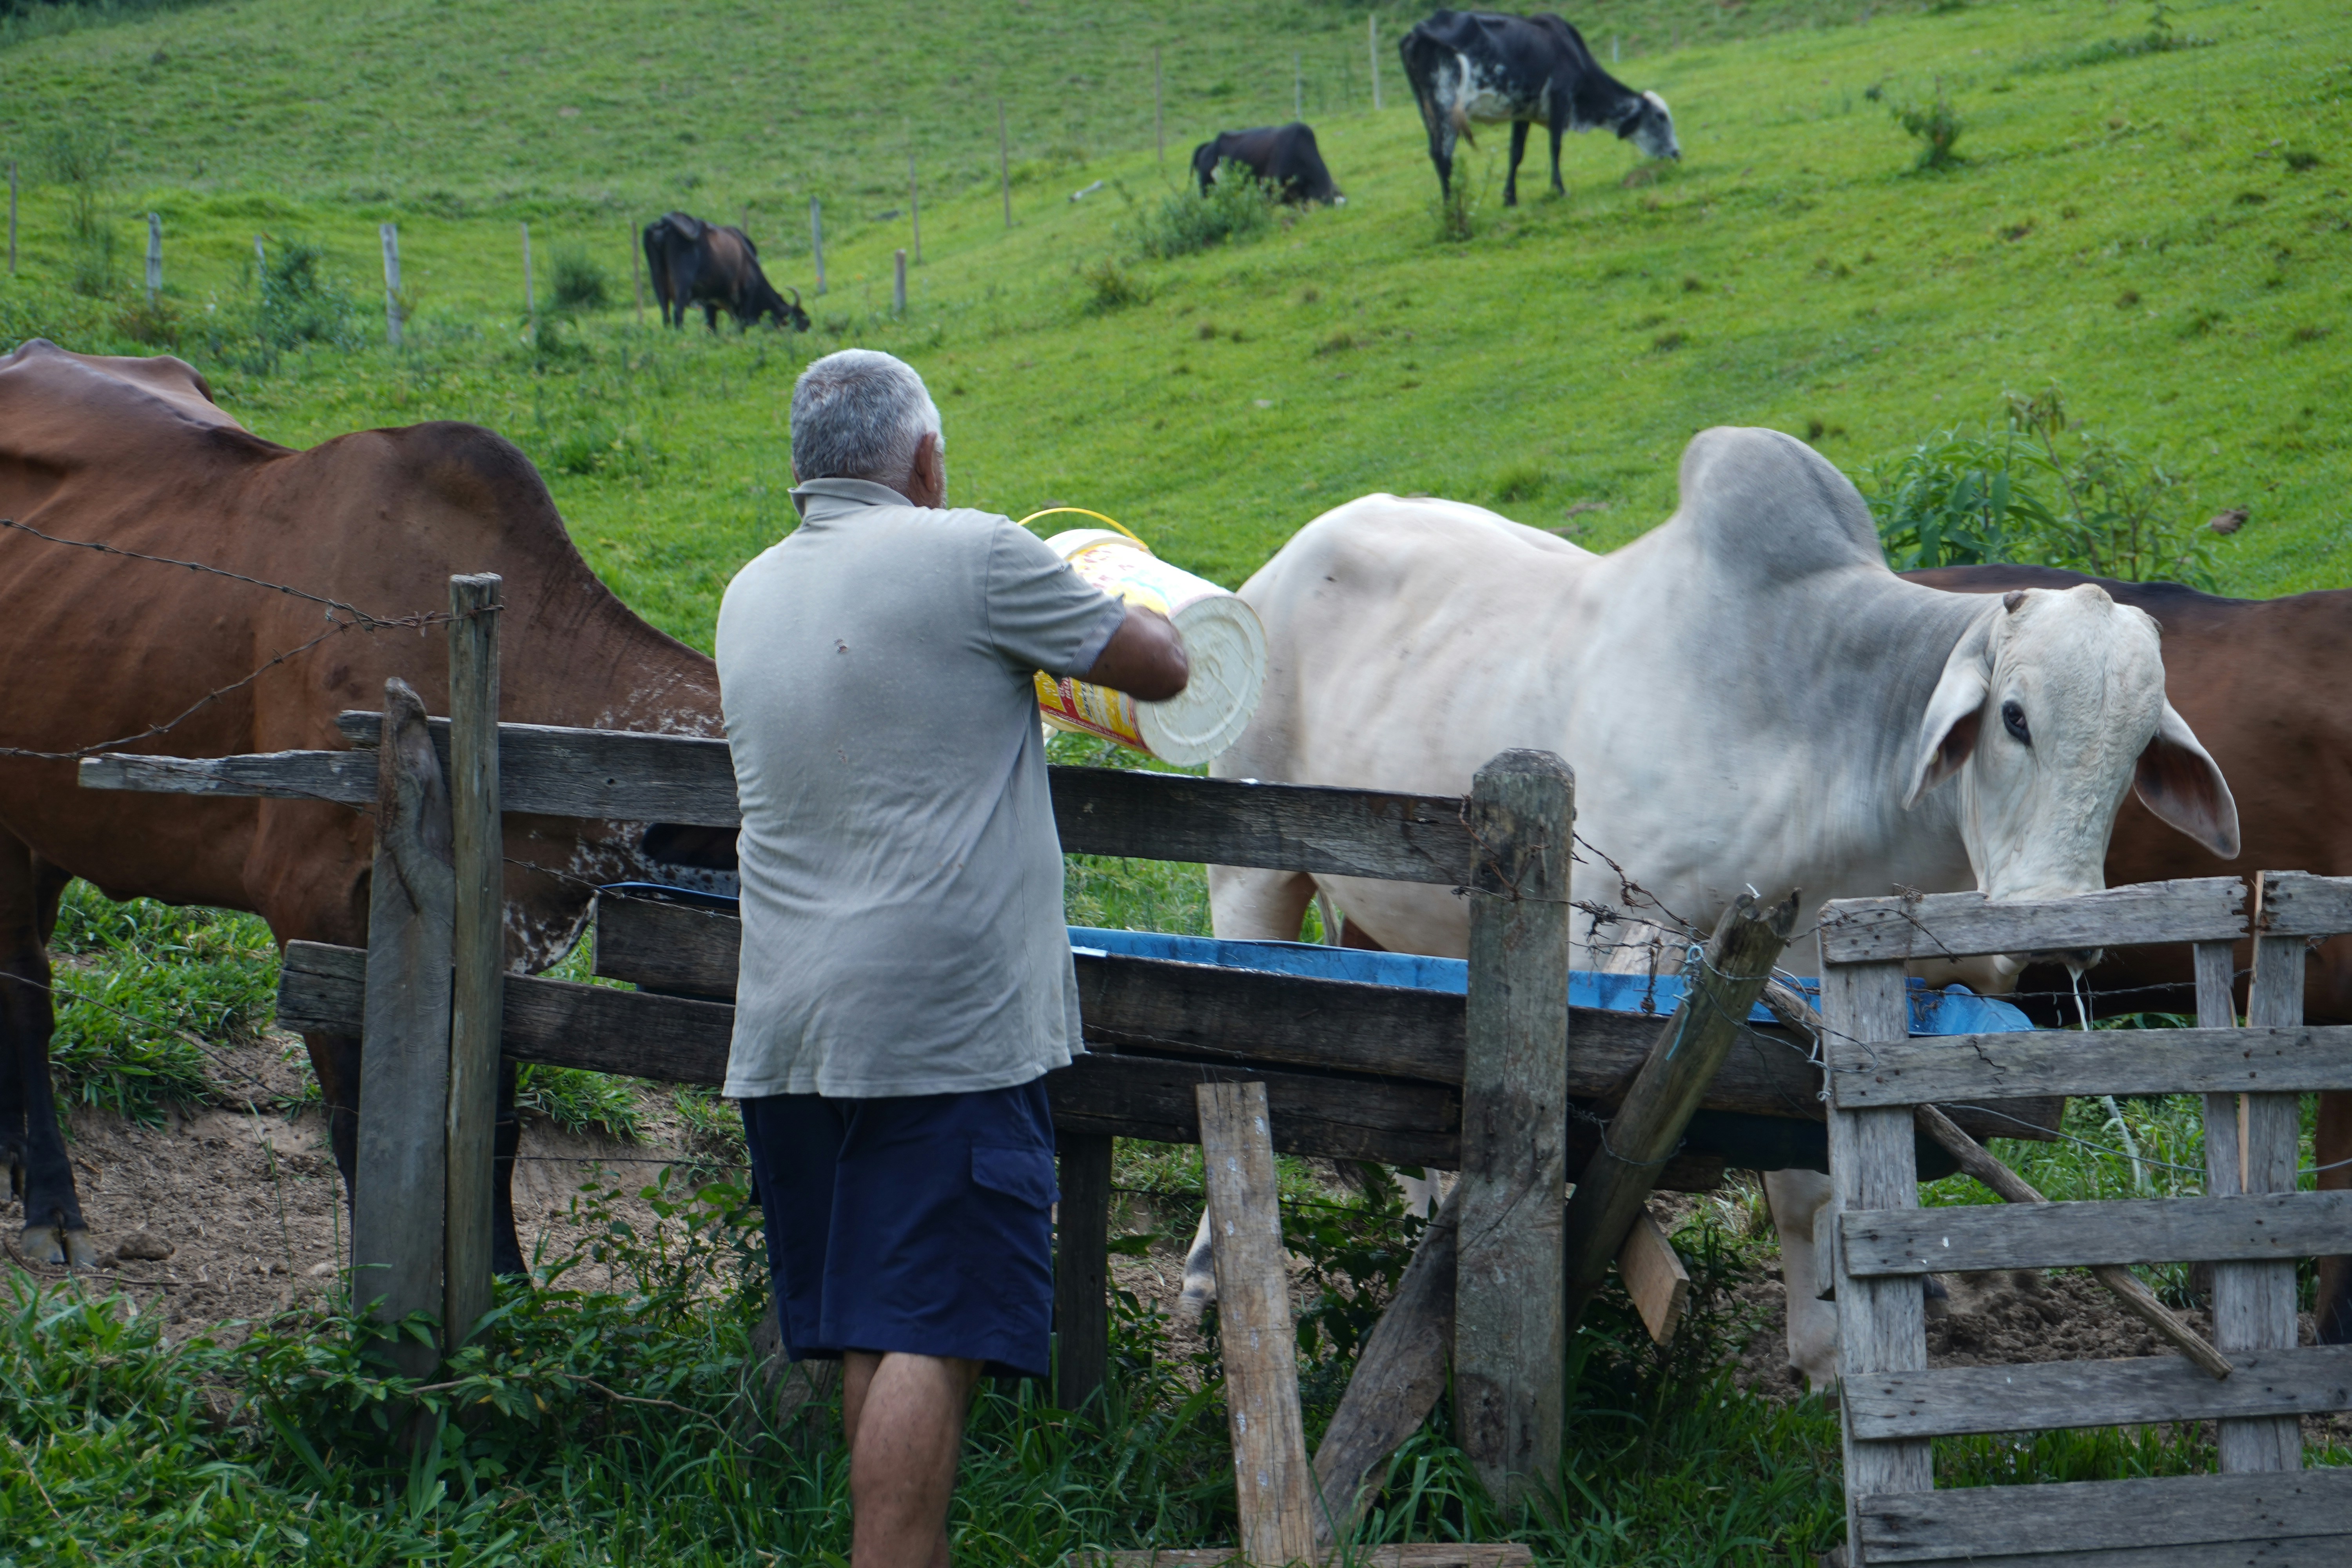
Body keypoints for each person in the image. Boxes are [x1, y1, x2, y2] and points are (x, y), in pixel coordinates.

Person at [715, 348, 1188, 1568]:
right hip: (944, 1027)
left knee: (880, 1322)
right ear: (923, 460)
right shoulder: (971, 552)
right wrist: (1123, 584)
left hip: (789, 1029)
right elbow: (1165, 668)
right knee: (934, 1325)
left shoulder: (749, 592)